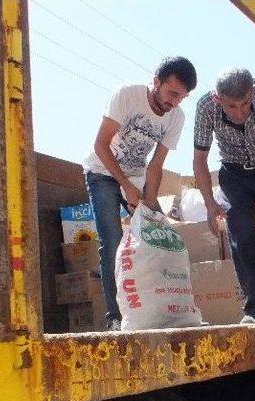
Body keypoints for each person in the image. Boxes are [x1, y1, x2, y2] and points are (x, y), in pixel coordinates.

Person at [83, 57, 197, 330]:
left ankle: (157, 311)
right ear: (156, 81)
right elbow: (100, 145)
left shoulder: (176, 117)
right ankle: (114, 317)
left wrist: (149, 200)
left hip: (137, 179)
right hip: (102, 172)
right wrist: (126, 185)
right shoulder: (127, 96)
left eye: (181, 98)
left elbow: (156, 165)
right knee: (111, 239)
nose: (174, 103)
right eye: (171, 93)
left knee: (159, 238)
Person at [193, 68, 255, 324]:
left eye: (245, 104)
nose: (240, 113)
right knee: (241, 236)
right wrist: (209, 203)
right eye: (231, 107)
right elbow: (200, 160)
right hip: (234, 174)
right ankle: (254, 307)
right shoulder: (205, 108)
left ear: (253, 92)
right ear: (218, 99)